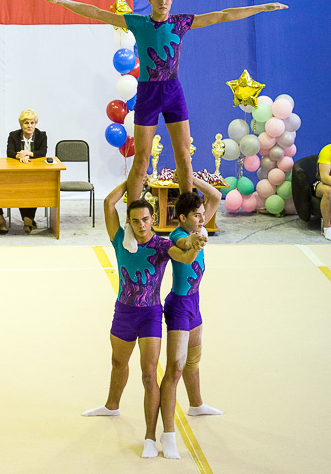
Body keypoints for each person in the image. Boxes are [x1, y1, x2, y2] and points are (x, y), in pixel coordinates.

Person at [32, 0, 287, 204]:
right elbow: (97, 13)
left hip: (173, 91)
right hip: (148, 93)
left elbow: (223, 15)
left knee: (184, 157)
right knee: (142, 158)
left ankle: (187, 210)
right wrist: (59, 0)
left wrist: (262, 7)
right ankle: (133, 216)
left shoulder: (181, 22)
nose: (162, 2)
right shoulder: (139, 23)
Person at [82, 180, 205, 459]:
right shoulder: (120, 240)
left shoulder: (161, 245)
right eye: (135, 220)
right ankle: (112, 406)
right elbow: (108, 203)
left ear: (153, 219)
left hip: (150, 314)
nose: (141, 225)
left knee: (149, 375)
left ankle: (150, 436)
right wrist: (132, 180)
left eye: (146, 220)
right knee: (118, 363)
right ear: (129, 222)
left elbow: (184, 257)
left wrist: (195, 244)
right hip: (124, 312)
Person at [160, 176, 222, 460]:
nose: (202, 219)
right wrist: (194, 240)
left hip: (194, 303)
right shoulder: (178, 235)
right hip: (179, 307)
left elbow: (216, 197)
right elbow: (184, 243)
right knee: (175, 368)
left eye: (202, 214)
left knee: (194, 361)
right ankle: (168, 434)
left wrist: (191, 177)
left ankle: (196, 405)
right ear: (182, 218)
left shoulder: (199, 226)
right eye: (196, 215)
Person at [7, 109, 48, 233]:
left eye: (32, 123)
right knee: (21, 189)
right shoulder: (13, 135)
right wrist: (20, 156)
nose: (30, 126)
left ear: (35, 124)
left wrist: (28, 154)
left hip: (36, 172)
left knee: (35, 189)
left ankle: (27, 219)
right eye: (26, 123)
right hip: (18, 171)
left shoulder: (41, 135)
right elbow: (9, 152)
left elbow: (43, 152)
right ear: (21, 124)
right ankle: (29, 220)